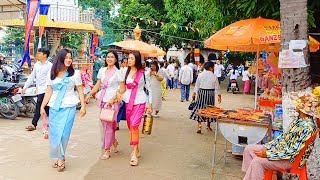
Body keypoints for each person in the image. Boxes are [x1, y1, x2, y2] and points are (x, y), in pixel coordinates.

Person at [242, 93, 319, 180]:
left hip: (290, 160)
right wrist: (268, 147)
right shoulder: (299, 120)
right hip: (282, 151)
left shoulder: (307, 127)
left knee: (257, 161)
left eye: (297, 104)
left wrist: (269, 154)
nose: (295, 105)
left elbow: (293, 151)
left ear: (302, 108)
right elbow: (283, 138)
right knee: (248, 149)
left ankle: (253, 176)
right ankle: (251, 176)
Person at [40, 49, 86, 172]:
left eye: (70, 58)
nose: (69, 60)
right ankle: (60, 157)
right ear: (60, 59)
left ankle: (61, 159)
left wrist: (83, 106)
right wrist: (42, 106)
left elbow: (80, 90)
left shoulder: (75, 74)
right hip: (54, 107)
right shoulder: (52, 72)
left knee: (64, 134)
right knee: (55, 135)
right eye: (66, 58)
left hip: (69, 107)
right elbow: (49, 91)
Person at [85, 51, 125, 160]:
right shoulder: (102, 70)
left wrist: (113, 99)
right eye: (108, 57)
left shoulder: (118, 72)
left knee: (108, 125)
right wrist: (89, 95)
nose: (110, 59)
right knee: (106, 125)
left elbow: (123, 88)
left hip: (113, 102)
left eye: (112, 57)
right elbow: (98, 85)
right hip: (103, 100)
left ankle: (107, 149)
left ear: (116, 59)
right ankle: (113, 141)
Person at [118, 51, 153, 166]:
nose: (129, 60)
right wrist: (117, 94)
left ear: (137, 60)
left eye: (132, 58)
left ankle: (133, 153)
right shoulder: (124, 72)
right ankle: (137, 149)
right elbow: (121, 87)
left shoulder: (144, 73)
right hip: (128, 102)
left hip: (140, 101)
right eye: (129, 58)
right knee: (130, 126)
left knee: (134, 125)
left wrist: (150, 104)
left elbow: (149, 89)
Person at [24, 48, 52, 131]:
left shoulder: (50, 66)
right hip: (39, 89)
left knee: (39, 106)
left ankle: (33, 124)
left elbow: (51, 78)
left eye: (39, 53)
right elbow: (32, 76)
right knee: (46, 108)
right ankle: (55, 121)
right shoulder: (37, 65)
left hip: (46, 90)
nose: (38, 55)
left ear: (45, 55)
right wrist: (25, 87)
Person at [190, 62, 221, 134]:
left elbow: (197, 85)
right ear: (210, 68)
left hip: (201, 93)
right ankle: (208, 125)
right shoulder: (214, 76)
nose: (213, 69)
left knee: (200, 108)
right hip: (210, 94)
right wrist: (219, 96)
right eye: (213, 67)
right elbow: (217, 87)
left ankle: (199, 126)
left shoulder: (200, 75)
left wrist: (194, 93)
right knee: (210, 109)